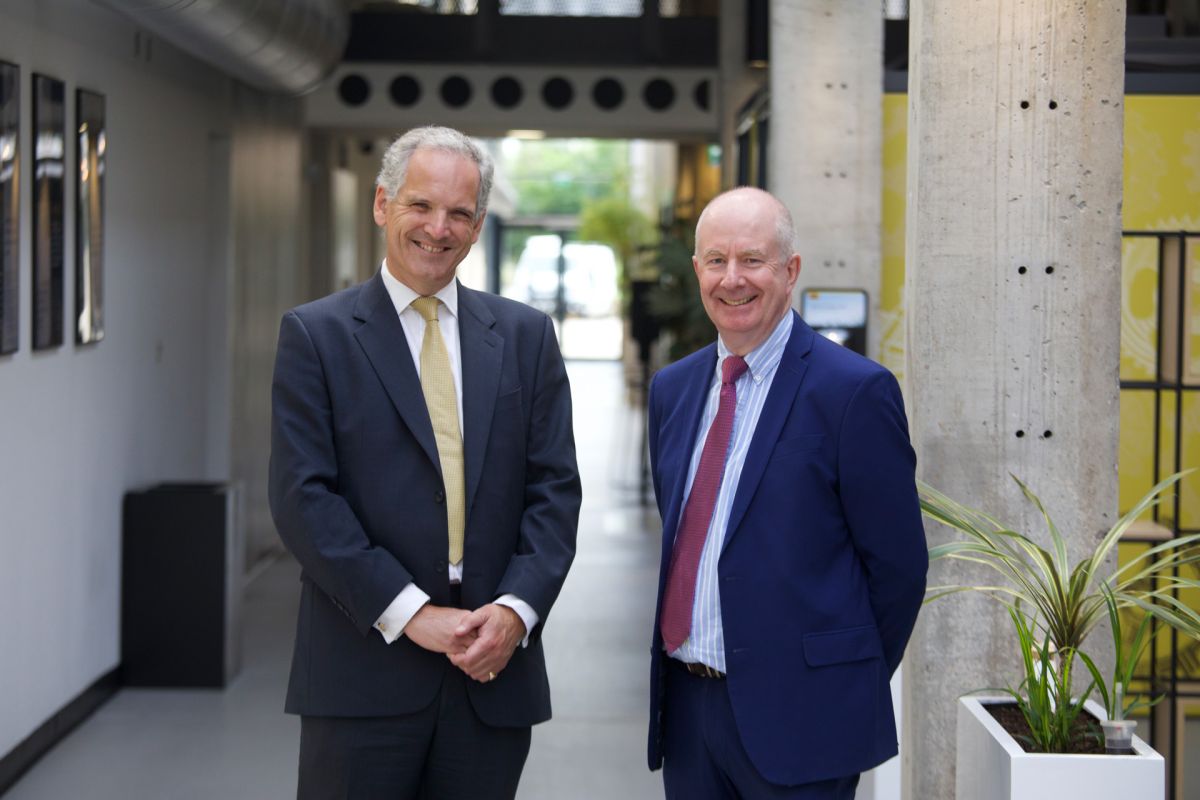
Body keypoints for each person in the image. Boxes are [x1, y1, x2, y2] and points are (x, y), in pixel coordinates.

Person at [269, 125, 580, 799]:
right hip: (361, 675)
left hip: (490, 677)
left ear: (477, 226)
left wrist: (516, 612)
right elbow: (304, 500)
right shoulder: (315, 337)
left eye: (460, 213)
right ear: (383, 205)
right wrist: (411, 612)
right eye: (421, 205)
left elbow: (554, 491)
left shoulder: (526, 338)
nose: (439, 228)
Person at [645, 187, 928, 799]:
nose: (733, 278)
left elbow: (899, 570)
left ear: (791, 270)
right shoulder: (673, 389)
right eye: (716, 260)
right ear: (698, 270)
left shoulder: (854, 392)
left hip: (806, 721)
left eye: (754, 259)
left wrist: (837, 684)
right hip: (689, 715)